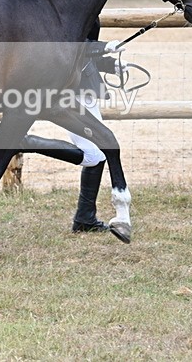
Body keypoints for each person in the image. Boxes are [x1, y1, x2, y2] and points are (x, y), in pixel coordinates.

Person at [70, 18, 127, 233]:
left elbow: (83, 55)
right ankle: (29, 144)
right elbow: (67, 43)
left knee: (97, 153)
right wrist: (102, 47)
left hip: (84, 88)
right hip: (69, 90)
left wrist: (111, 65)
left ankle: (85, 218)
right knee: (94, 154)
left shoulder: (90, 10)